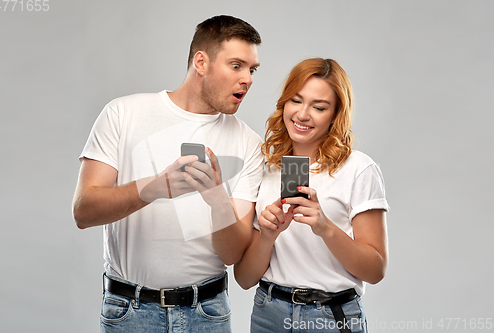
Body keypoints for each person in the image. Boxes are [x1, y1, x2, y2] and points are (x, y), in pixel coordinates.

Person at [72, 15, 264, 333]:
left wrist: (217, 198)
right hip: (129, 313)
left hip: (208, 314)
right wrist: (155, 188)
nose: (248, 79)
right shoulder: (123, 114)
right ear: (201, 62)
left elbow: (232, 254)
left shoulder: (249, 143)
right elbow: (84, 211)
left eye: (252, 69)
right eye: (236, 65)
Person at [234, 58, 390, 333]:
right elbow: (245, 278)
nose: (303, 114)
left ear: (335, 114)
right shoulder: (267, 166)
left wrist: (325, 227)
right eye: (296, 100)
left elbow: (375, 270)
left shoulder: (358, 169)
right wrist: (268, 235)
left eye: (319, 107)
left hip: (331, 317)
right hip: (269, 314)